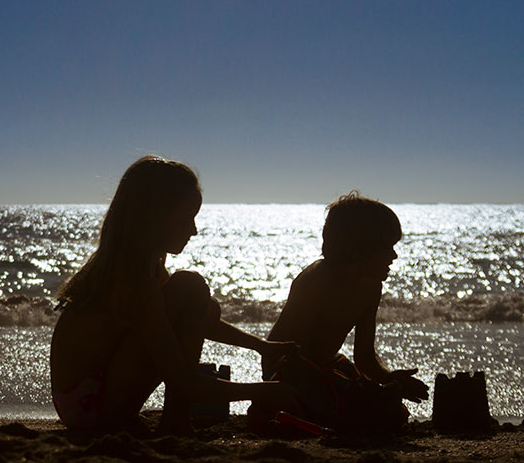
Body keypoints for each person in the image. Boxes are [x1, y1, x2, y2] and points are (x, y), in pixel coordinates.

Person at [51, 155, 299, 434]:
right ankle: (176, 419)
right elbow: (183, 381)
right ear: (154, 218)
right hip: (91, 408)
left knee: (205, 305)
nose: (193, 230)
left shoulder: (144, 267)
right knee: (190, 288)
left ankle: (175, 417)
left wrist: (260, 347)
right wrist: (264, 392)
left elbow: (203, 322)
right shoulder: (135, 281)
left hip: (84, 400)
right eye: (186, 220)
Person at [261, 191, 428, 428]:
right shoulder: (317, 281)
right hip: (289, 372)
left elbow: (365, 357)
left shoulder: (371, 287)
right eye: (387, 247)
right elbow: (286, 356)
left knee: (391, 410)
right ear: (360, 248)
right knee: (360, 405)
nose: (394, 256)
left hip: (327, 366)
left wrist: (390, 379)